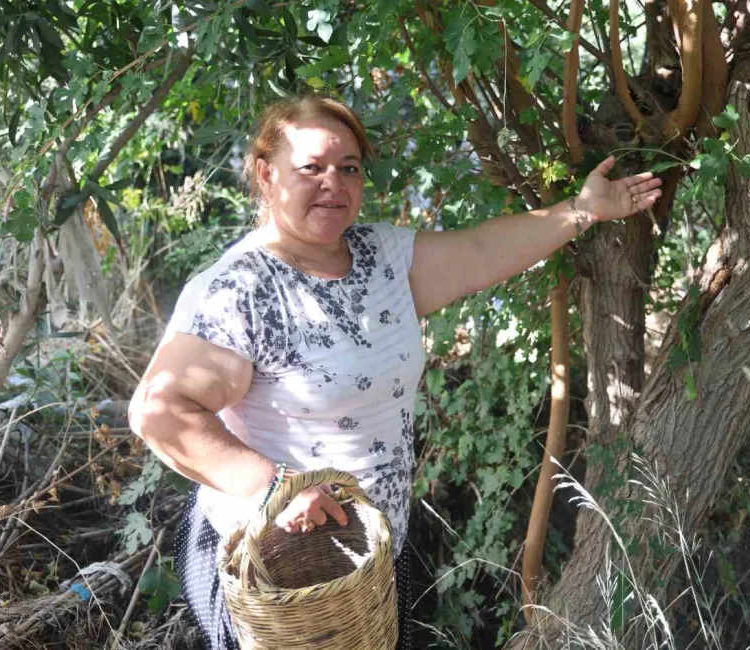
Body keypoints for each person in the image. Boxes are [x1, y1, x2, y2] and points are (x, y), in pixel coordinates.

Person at [128, 94, 662, 650]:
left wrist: (583, 211)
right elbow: (159, 414)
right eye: (311, 167)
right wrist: (275, 489)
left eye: (349, 168)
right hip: (278, 577)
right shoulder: (240, 291)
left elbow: (482, 251)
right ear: (266, 175)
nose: (333, 182)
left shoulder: (380, 256)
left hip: (373, 557)